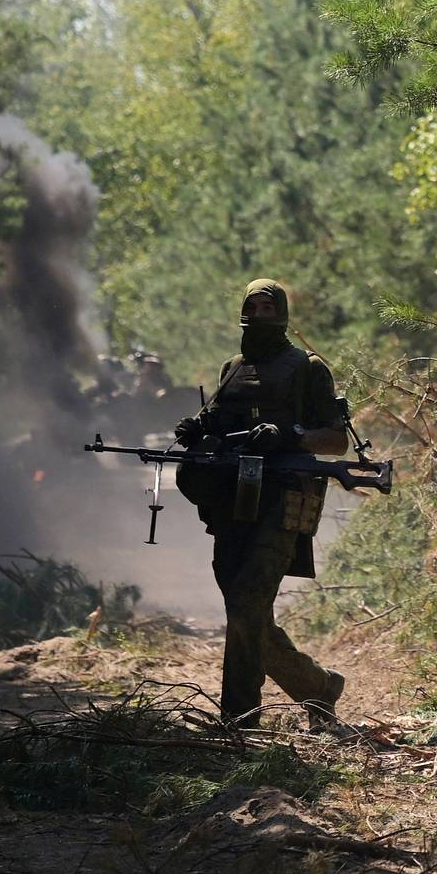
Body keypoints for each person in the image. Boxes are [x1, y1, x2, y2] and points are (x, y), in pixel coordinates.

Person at [173, 278, 348, 729]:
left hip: (283, 499)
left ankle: (239, 717)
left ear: (283, 313)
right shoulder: (232, 368)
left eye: (268, 307)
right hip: (232, 501)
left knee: (249, 602)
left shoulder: (308, 368)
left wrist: (290, 436)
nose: (259, 315)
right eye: (252, 306)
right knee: (242, 610)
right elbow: (218, 425)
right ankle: (318, 688)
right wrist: (198, 432)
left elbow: (335, 440)